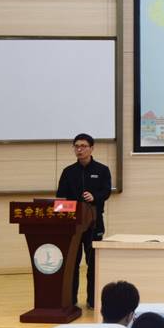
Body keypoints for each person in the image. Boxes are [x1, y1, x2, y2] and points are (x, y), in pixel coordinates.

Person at [56, 132, 112, 309]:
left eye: (83, 146)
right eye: (76, 146)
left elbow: (106, 192)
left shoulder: (102, 170)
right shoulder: (68, 172)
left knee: (93, 264)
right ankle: (70, 300)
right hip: (72, 225)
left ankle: (93, 300)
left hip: (94, 223)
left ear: (91, 148)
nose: (79, 149)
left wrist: (94, 196)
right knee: (71, 263)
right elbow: (60, 198)